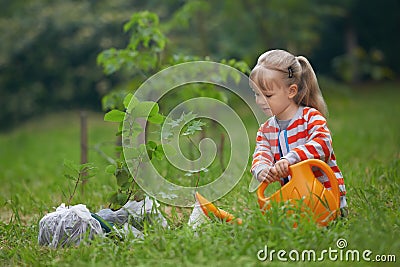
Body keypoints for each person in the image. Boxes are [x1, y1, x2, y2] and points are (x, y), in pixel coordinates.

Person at [249, 49, 347, 213]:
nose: (260, 101)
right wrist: (262, 169)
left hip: (326, 199)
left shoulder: (310, 118)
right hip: (297, 201)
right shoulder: (266, 130)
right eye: (256, 94)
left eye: (267, 95)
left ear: (291, 91)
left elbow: (323, 145)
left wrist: (290, 159)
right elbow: (261, 153)